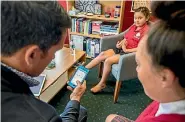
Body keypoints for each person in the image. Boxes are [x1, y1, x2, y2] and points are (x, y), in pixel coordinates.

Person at [1, 1, 87, 122]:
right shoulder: (43, 116)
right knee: (80, 111)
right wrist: (76, 97)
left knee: (80, 111)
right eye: (55, 52)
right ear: (32, 55)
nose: (53, 58)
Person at [106, 1, 185, 122]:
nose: (137, 69)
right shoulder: (171, 95)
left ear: (164, 77)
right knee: (110, 118)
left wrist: (126, 50)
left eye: (139, 64)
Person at [85, 7, 150, 93]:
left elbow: (142, 48)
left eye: (140, 18)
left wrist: (126, 50)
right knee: (102, 54)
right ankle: (83, 71)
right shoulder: (134, 26)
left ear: (147, 18)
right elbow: (126, 38)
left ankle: (102, 84)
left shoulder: (146, 31)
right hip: (122, 50)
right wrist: (119, 44)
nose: (137, 20)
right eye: (135, 18)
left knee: (108, 61)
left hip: (129, 55)